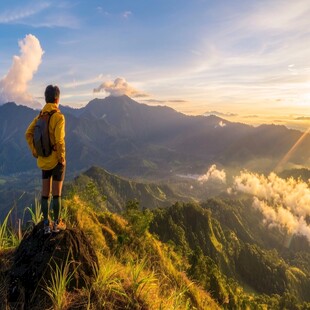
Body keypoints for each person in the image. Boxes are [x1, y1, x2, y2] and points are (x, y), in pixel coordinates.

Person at [25, 85, 66, 234]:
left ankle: (46, 225)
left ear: (46, 98)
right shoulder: (58, 117)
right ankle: (57, 224)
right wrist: (62, 158)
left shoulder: (40, 116)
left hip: (43, 161)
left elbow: (27, 134)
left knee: (44, 194)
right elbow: (60, 140)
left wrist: (35, 151)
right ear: (57, 99)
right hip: (56, 161)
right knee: (56, 194)